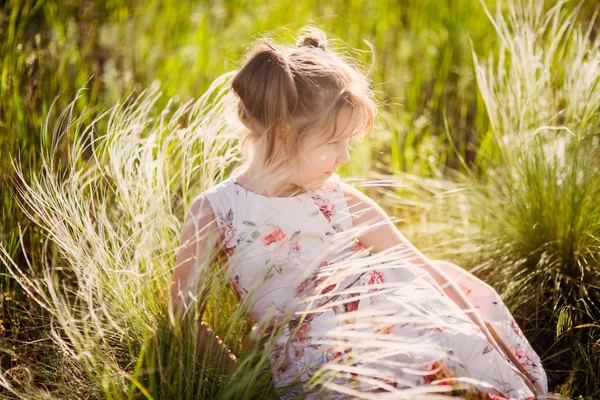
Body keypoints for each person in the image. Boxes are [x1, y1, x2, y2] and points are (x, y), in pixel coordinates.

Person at [169, 26, 551, 399]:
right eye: (334, 142)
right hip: (326, 359)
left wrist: (492, 341)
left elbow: (423, 271)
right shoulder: (217, 211)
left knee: (446, 351)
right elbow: (182, 313)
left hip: (405, 318)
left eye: (348, 142)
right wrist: (244, 380)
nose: (346, 156)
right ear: (284, 134)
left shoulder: (338, 198)